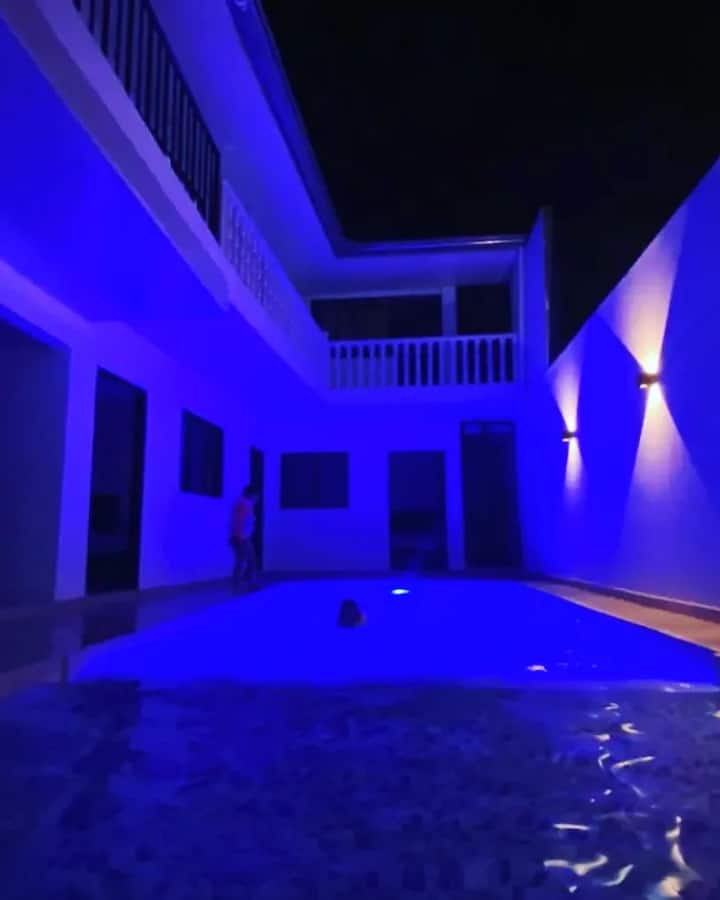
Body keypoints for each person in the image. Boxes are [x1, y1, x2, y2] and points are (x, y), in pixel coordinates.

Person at [230, 485, 259, 594]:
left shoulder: (245, 504)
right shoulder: (244, 504)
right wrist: (240, 537)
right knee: (243, 561)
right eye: (256, 495)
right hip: (242, 537)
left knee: (249, 560)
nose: (257, 498)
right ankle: (237, 586)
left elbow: (242, 521)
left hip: (243, 537)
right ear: (251, 494)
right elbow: (240, 521)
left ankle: (250, 583)